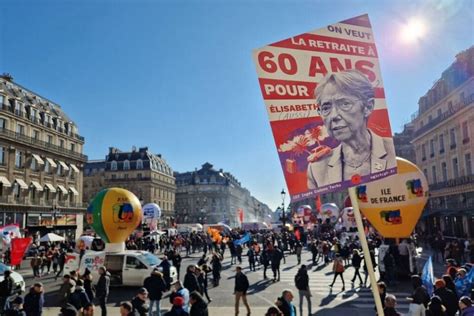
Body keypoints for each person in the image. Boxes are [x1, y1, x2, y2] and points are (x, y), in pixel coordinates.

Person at [307, 69, 397, 189]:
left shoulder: (395, 151)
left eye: (345, 104)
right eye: (326, 108)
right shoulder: (317, 169)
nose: (333, 116)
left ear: (368, 107)